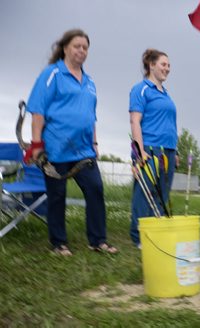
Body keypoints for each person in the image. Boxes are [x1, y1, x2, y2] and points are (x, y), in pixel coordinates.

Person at [26, 29, 118, 256]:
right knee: (57, 196)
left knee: (95, 189)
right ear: (65, 47)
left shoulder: (90, 82)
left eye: (85, 47)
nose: (82, 51)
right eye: (77, 46)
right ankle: (59, 244)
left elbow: (90, 117)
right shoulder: (52, 74)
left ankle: (98, 240)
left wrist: (95, 144)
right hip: (55, 149)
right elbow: (37, 111)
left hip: (84, 150)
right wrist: (36, 145)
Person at [129, 49, 178, 248]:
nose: (167, 68)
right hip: (149, 149)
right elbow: (135, 121)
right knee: (144, 194)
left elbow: (169, 124)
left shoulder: (165, 94)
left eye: (168, 65)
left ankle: (154, 233)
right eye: (163, 64)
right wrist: (140, 151)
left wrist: (175, 151)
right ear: (151, 65)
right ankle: (138, 236)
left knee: (161, 195)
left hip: (168, 151)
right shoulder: (141, 89)